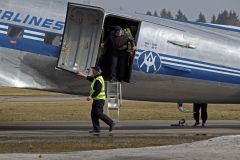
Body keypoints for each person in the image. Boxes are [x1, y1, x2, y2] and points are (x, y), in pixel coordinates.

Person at [77, 66, 115, 133]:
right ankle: (96, 129)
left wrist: (91, 97)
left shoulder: (98, 79)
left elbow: (98, 90)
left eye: (94, 70)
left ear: (97, 72)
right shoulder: (96, 78)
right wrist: (83, 75)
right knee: (93, 114)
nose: (92, 71)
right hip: (97, 99)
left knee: (98, 113)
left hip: (99, 100)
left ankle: (111, 122)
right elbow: (90, 78)